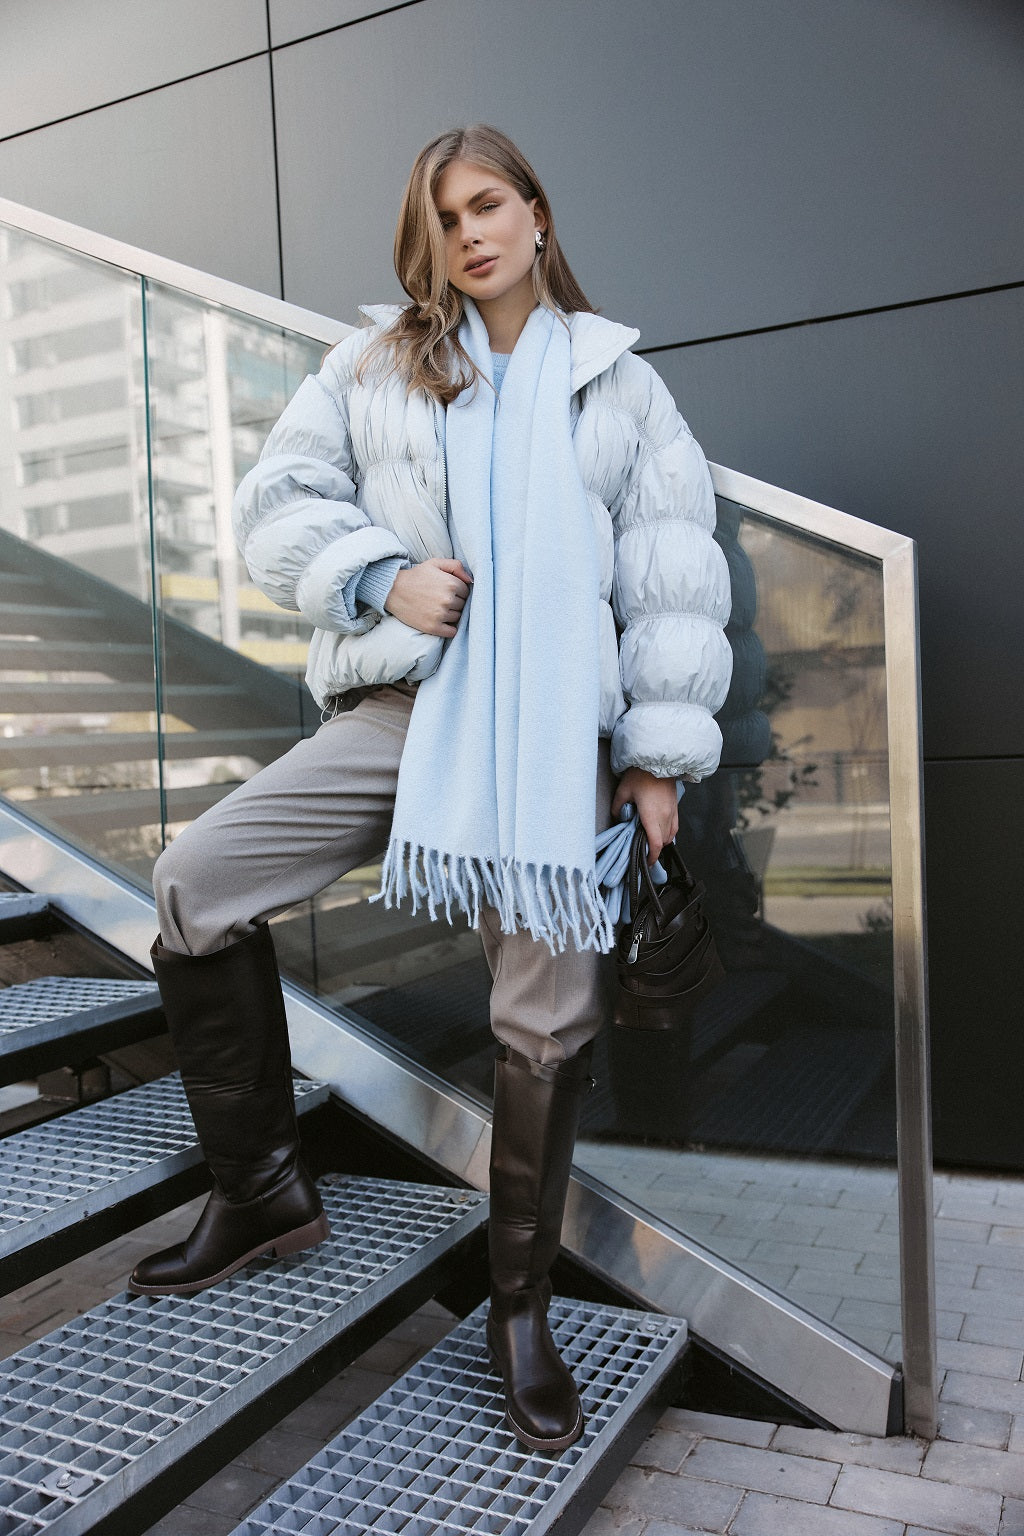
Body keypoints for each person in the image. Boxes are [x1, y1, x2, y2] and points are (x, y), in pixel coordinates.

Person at [130, 124, 733, 1454]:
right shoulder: (375, 365)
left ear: (535, 213)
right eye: (444, 215)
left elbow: (670, 568)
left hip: (557, 747)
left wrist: (653, 761)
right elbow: (279, 501)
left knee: (546, 1016)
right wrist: (375, 572)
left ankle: (521, 1309)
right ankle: (262, 1188)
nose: (470, 232)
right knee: (195, 884)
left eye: (489, 204)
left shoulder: (617, 386)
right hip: (411, 709)